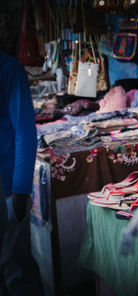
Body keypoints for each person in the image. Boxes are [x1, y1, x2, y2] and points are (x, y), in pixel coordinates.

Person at [0, 49, 44, 295]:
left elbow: (25, 131)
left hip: (7, 186)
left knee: (16, 267)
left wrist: (20, 190)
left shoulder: (9, 69)